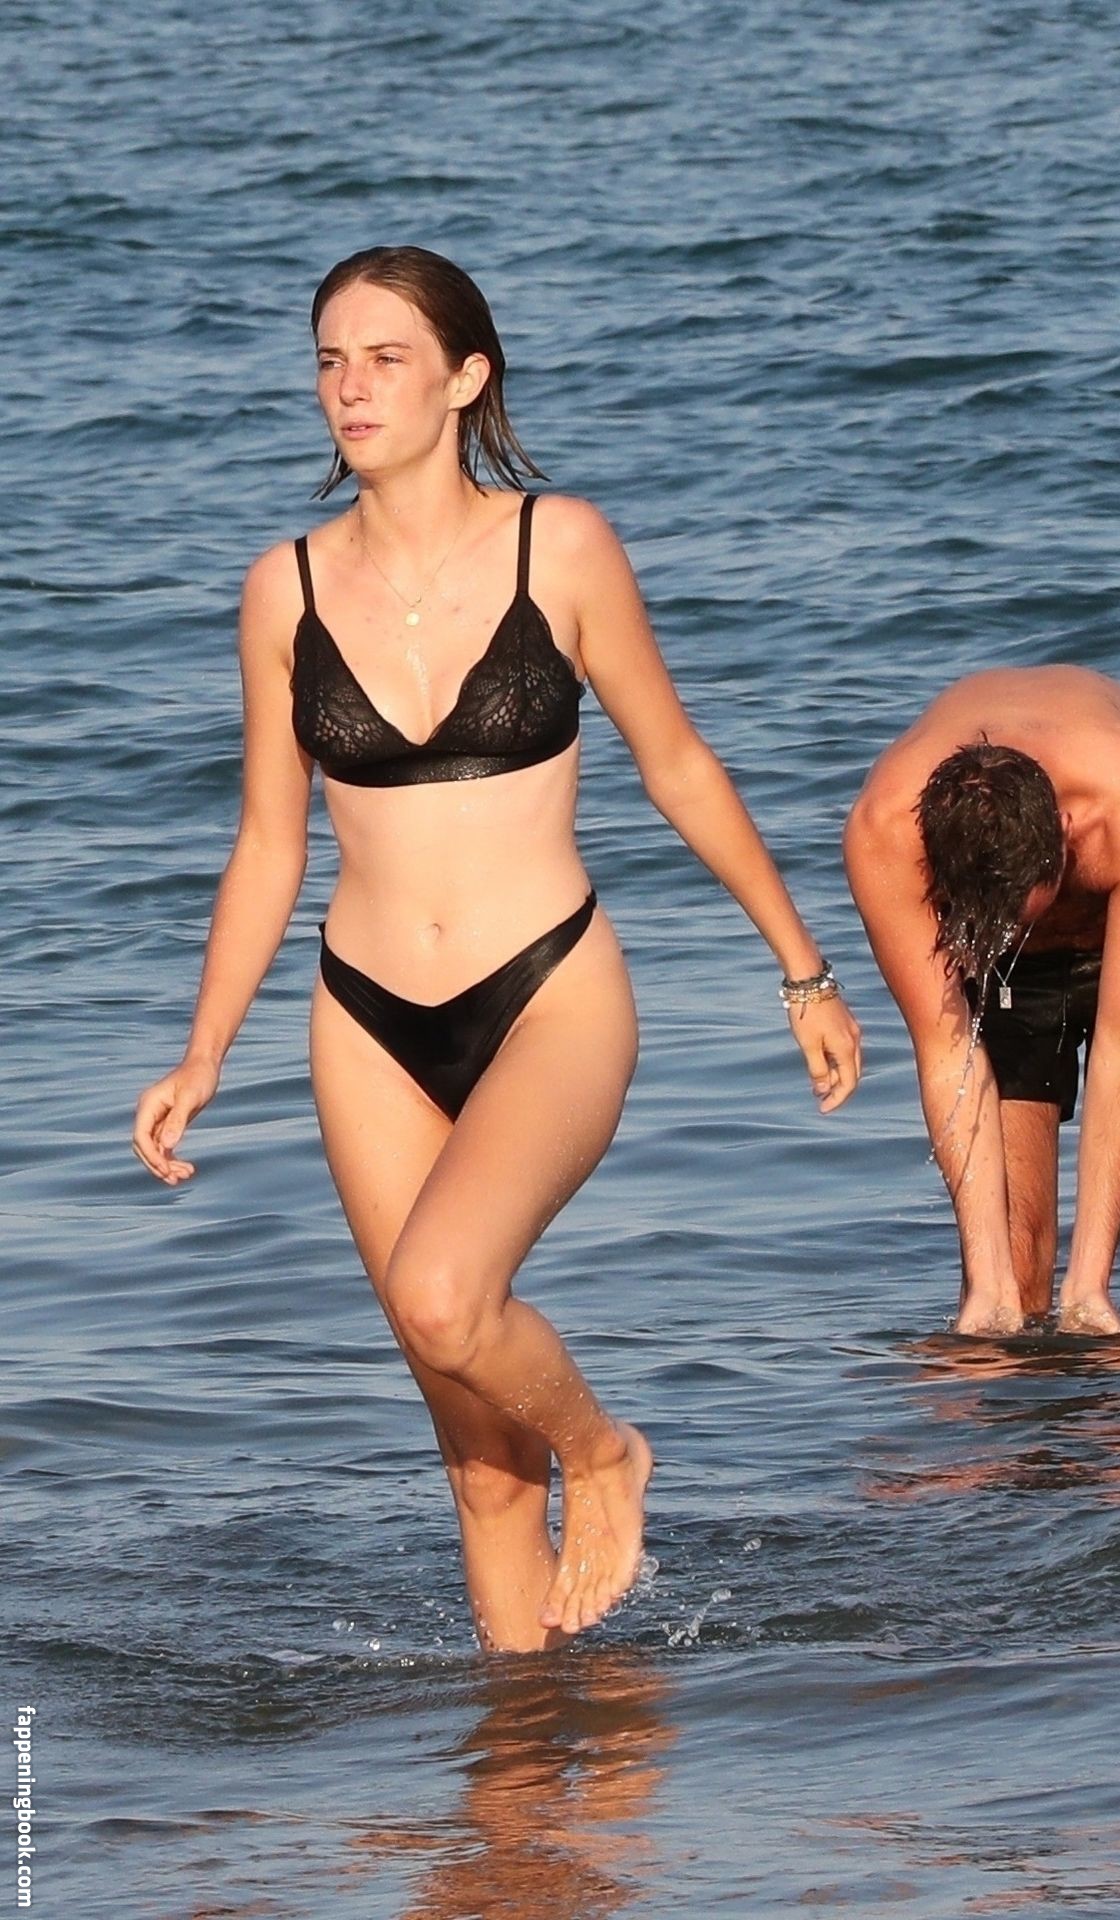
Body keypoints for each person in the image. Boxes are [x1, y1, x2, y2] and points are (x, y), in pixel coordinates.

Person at [132, 245, 861, 1653]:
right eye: (329, 361)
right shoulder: (283, 589)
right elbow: (269, 842)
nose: (350, 388)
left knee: (443, 1295)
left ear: (466, 378)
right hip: (363, 1019)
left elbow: (678, 765)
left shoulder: (560, 547)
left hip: (548, 993)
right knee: (473, 1450)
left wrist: (803, 971)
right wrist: (203, 1053)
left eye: (385, 358)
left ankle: (609, 1455)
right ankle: (529, 1746)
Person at [843, 664, 1120, 1337]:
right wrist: (989, 1284)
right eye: (988, 916)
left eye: (1020, 911)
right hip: (1010, 977)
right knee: (1011, 1253)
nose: (1012, 930)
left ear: (1065, 832)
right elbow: (946, 1051)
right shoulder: (882, 834)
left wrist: (1090, 1284)